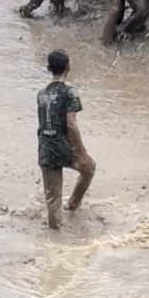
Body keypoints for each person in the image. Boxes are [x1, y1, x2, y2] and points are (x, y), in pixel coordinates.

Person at [36, 49, 95, 230]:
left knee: (53, 198)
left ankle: (55, 237)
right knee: (89, 168)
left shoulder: (41, 94)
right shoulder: (70, 92)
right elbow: (70, 124)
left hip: (45, 148)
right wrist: (81, 151)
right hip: (64, 147)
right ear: (68, 67)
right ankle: (72, 205)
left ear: (48, 68)